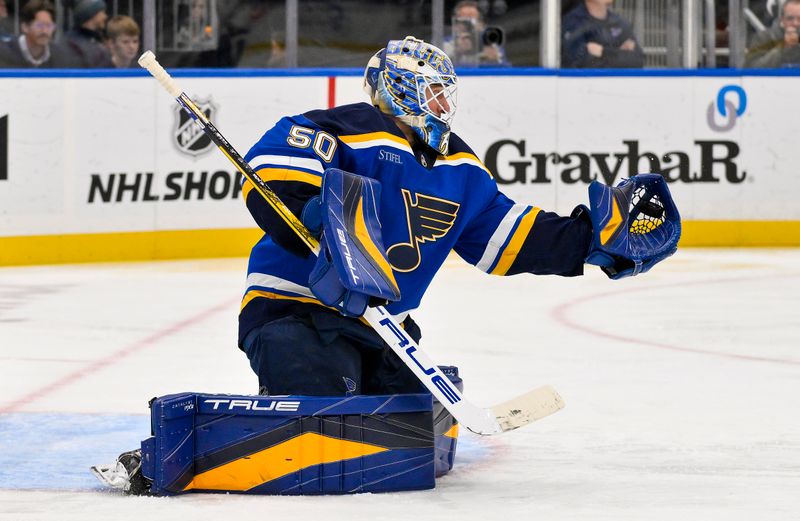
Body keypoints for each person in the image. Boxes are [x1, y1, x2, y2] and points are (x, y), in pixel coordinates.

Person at [92, 36, 680, 495]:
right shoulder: (342, 126)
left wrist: (590, 242)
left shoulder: (461, 166)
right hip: (292, 310)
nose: (444, 105)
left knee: (403, 426)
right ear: (399, 89)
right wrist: (323, 224)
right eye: (432, 92)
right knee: (328, 420)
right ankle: (166, 457)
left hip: (380, 325)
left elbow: (507, 237)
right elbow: (273, 176)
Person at [561, 0, 644, 68]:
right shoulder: (573, 22)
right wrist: (620, 54)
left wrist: (603, 52)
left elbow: (637, 60)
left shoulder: (618, 22)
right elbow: (581, 64)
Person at [0, 0, 73, 68]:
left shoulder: (60, 55)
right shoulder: (3, 53)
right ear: (25, 27)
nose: (44, 31)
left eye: (49, 26)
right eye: (39, 25)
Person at [443, 0, 508, 66]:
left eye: (472, 21)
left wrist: (494, 60)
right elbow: (439, 67)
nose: (468, 27)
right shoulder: (445, 44)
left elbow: (507, 70)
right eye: (464, 21)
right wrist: (457, 52)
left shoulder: (490, 43)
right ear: (455, 24)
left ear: (481, 23)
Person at [745, 0, 800, 67]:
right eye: (790, 18)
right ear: (782, 19)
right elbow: (752, 68)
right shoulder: (763, 38)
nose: (795, 23)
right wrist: (783, 48)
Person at [63, 0, 113, 67]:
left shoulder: (97, 40)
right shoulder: (72, 44)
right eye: (102, 12)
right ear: (92, 15)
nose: (105, 16)